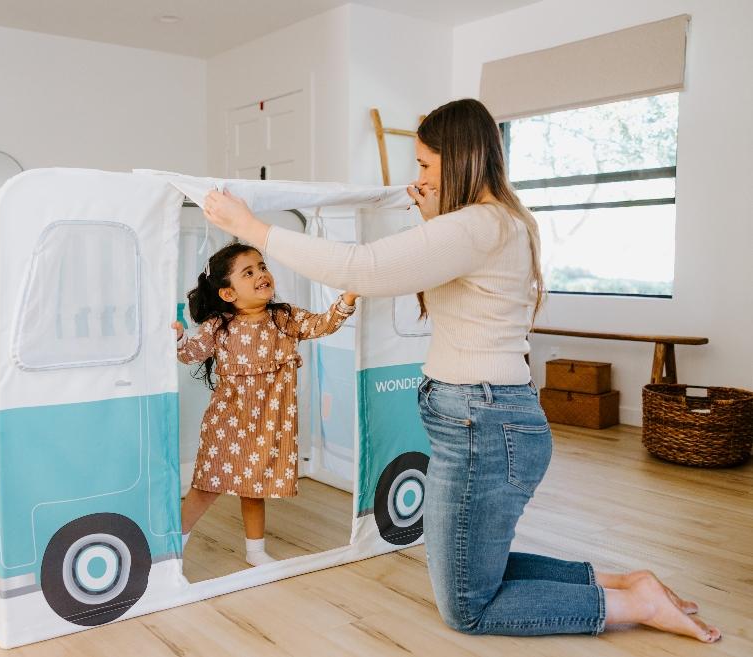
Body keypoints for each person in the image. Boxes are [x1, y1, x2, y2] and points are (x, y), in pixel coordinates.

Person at [198, 98, 719, 641]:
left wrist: (255, 229)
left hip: (485, 424)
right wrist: (433, 219)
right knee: (468, 572)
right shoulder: (495, 222)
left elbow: (364, 268)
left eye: (425, 164)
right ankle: (627, 585)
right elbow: (457, 291)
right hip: (481, 419)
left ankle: (633, 606)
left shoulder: (479, 225)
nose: (418, 176)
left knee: (467, 607)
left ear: (462, 159)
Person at [174, 241, 358, 566]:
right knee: (206, 485)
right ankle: (173, 549)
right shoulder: (219, 327)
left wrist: (347, 299)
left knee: (254, 486)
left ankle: (255, 551)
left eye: (262, 267)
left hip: (268, 422)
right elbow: (190, 353)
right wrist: (177, 338)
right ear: (228, 294)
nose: (261, 274)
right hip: (228, 422)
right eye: (249, 272)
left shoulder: (284, 318)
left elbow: (322, 324)